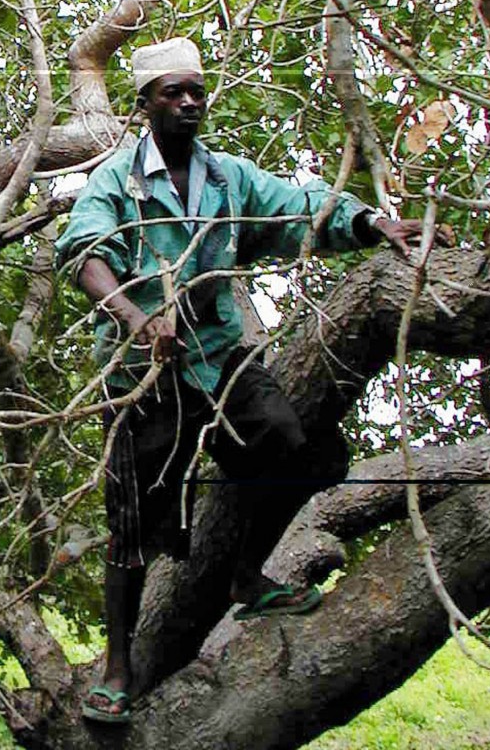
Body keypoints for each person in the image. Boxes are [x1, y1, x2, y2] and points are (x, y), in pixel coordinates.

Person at [55, 36, 432, 725]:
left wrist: (372, 221)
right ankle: (116, 668)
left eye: (197, 90)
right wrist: (139, 319)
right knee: (135, 528)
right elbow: (83, 254)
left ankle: (247, 575)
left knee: (294, 446)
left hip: (220, 356)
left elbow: (300, 205)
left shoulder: (228, 177)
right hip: (145, 374)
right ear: (145, 104)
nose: (191, 102)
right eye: (174, 92)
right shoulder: (117, 180)